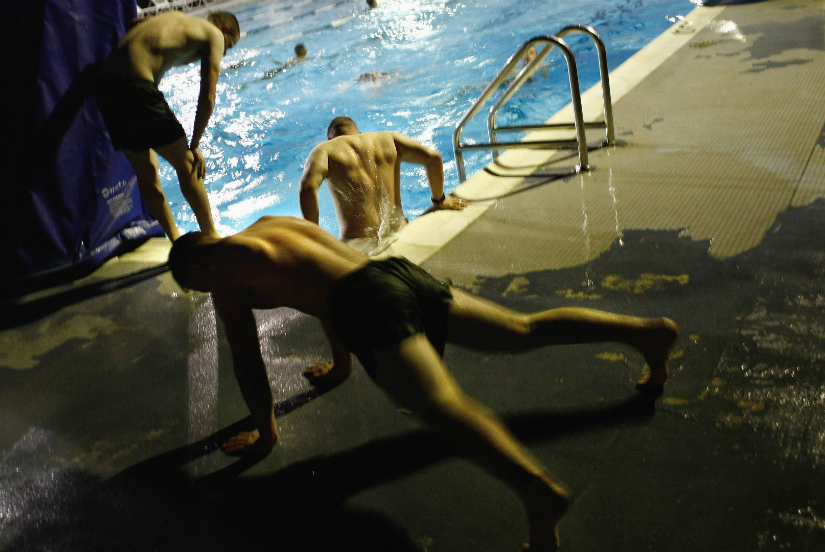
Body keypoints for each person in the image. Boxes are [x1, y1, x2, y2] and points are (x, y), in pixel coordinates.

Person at [167, 215, 679, 551]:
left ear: (196, 266)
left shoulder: (224, 274)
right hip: (394, 276)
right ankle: (646, 334)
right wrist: (342, 365)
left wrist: (266, 431)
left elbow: (247, 359)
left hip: (368, 305)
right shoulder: (272, 226)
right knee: (524, 331)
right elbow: (321, 287)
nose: (207, 293)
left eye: (198, 288)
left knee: (438, 405)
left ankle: (538, 490)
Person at [95, 11, 241, 241]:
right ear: (224, 28)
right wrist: (195, 144)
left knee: (147, 174)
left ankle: (176, 241)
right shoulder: (214, 34)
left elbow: (136, 24)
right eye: (229, 46)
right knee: (189, 164)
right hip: (136, 85)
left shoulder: (174, 18)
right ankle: (212, 238)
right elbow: (208, 96)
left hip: (106, 89)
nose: (225, 50)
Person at [299, 116, 469, 251]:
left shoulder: (325, 149)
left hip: (359, 247)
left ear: (331, 138)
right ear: (359, 132)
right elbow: (433, 158)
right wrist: (439, 200)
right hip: (401, 233)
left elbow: (308, 188)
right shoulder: (388, 139)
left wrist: (315, 237)